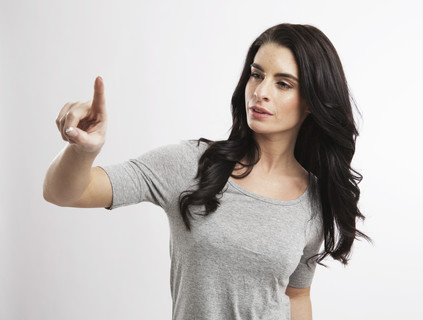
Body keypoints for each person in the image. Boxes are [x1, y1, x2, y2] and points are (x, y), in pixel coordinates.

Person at [44, 23, 369, 320]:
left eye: (283, 83)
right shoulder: (192, 164)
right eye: (256, 75)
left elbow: (297, 297)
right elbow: (63, 192)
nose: (260, 91)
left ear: (311, 101)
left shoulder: (313, 198)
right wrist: (82, 151)